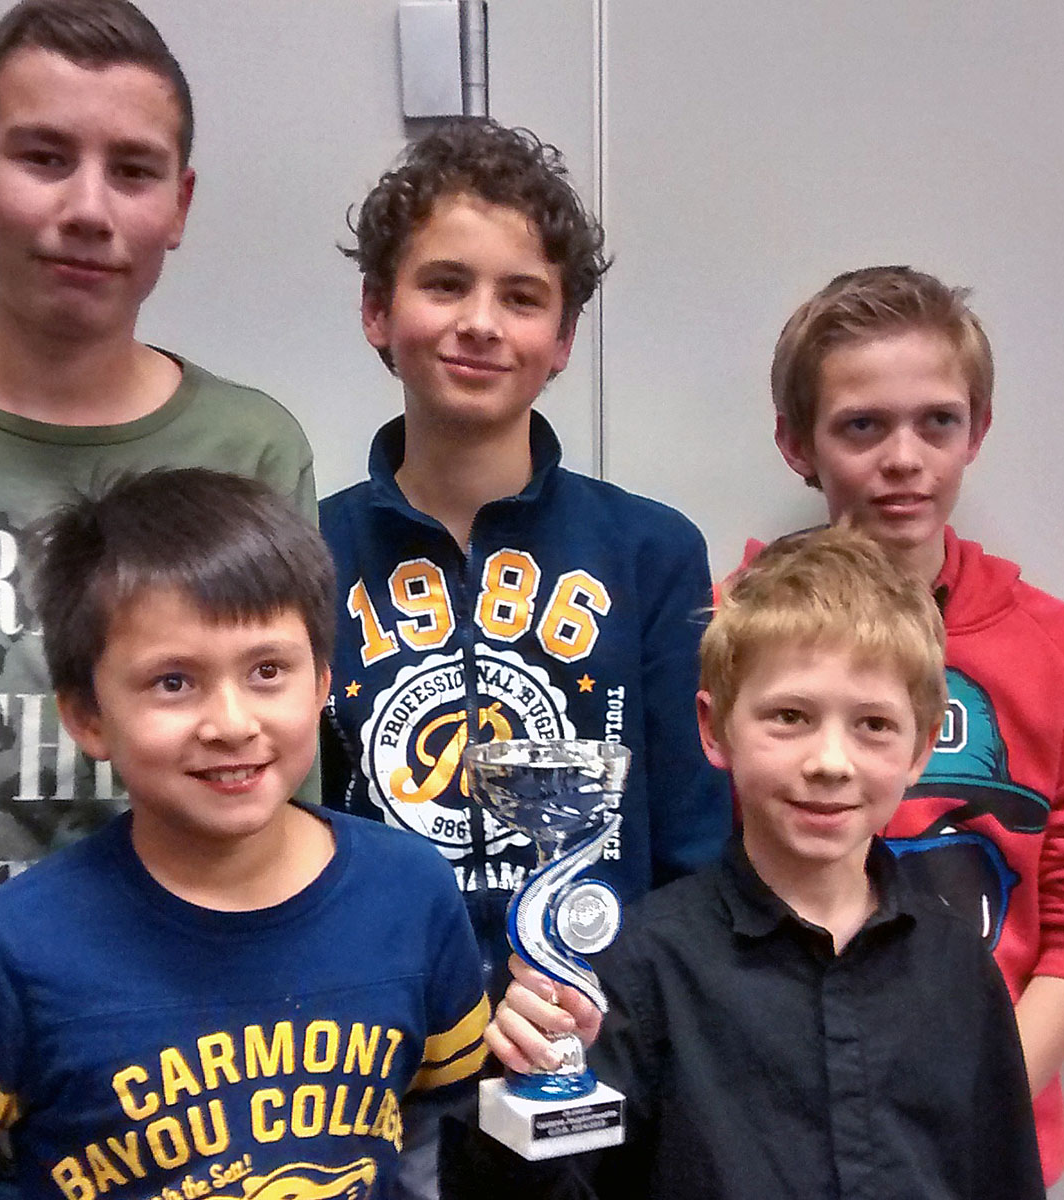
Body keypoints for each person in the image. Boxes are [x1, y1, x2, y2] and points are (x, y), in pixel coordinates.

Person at [0, 468, 488, 1200]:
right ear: (87, 718)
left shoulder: (413, 892)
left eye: (268, 670)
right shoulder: (9, 950)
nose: (231, 723)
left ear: (322, 684)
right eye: (173, 681)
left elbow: (431, 1142)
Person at [0, 0, 316, 1025]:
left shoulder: (251, 447)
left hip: (153, 1045)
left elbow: (276, 797)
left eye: (132, 170)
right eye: (44, 157)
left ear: (179, 202)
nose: (88, 208)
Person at [447, 526, 1045, 1199]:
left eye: (874, 725)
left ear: (920, 749)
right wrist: (523, 1084)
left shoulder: (959, 968)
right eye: (790, 716)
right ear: (714, 728)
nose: (830, 762)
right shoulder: (634, 974)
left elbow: (1006, 1179)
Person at [320, 119, 729, 996]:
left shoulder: (654, 554)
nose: (480, 324)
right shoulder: (306, 555)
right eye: (445, 285)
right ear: (377, 311)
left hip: (603, 1032)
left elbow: (695, 852)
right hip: (370, 1035)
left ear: (564, 338)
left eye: (521, 297)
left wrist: (629, 1017)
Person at [752, 265, 1064, 1184]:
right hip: (777, 1134)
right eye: (863, 426)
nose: (904, 459)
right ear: (797, 441)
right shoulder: (732, 637)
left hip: (982, 1143)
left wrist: (972, 1108)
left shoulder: (1063, 653)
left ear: (978, 429)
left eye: (937, 421)